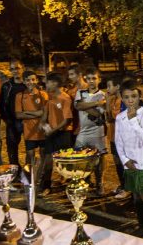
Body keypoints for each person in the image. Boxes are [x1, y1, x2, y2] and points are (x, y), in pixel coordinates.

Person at [115, 80, 143, 240]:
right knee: (136, 195)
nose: (130, 100)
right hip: (129, 163)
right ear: (121, 98)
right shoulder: (119, 117)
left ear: (139, 96)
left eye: (134, 96)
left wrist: (133, 119)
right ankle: (142, 226)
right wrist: (125, 159)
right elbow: (118, 141)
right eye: (126, 97)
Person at [73, 67, 107, 195]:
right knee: (81, 158)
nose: (91, 81)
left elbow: (99, 116)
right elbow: (77, 106)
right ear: (85, 79)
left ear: (99, 80)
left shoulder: (103, 95)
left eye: (94, 78)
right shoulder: (81, 92)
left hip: (98, 131)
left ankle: (100, 183)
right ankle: (85, 181)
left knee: (99, 159)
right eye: (89, 78)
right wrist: (97, 103)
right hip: (83, 131)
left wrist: (84, 106)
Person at [39, 72, 73, 195]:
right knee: (48, 159)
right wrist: (42, 123)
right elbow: (45, 113)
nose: (45, 84)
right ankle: (46, 185)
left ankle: (69, 185)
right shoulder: (50, 97)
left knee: (64, 161)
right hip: (51, 134)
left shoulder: (65, 98)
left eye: (47, 82)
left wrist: (53, 130)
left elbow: (67, 120)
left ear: (55, 83)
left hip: (63, 134)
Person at [15, 70, 48, 185]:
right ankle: (28, 180)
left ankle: (40, 178)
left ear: (37, 80)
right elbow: (18, 114)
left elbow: (45, 112)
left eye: (33, 79)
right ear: (24, 81)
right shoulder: (20, 96)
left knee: (44, 155)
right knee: (30, 156)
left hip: (42, 130)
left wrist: (27, 113)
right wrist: (36, 113)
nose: (30, 82)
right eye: (28, 80)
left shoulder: (43, 94)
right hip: (28, 131)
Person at [0, 58, 26, 166]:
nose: (15, 71)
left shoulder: (28, 84)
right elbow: (1, 104)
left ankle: (30, 173)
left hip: (28, 121)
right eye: (12, 69)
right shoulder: (6, 86)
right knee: (11, 148)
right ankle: (15, 172)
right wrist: (7, 120)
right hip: (12, 122)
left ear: (22, 67)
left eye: (17, 68)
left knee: (30, 149)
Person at [105, 75, 128, 199]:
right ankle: (123, 185)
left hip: (121, 138)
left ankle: (127, 188)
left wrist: (108, 104)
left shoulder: (123, 101)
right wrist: (108, 103)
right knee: (117, 162)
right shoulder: (113, 100)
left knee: (124, 163)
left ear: (118, 87)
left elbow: (118, 119)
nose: (107, 88)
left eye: (110, 86)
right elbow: (109, 118)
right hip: (113, 136)